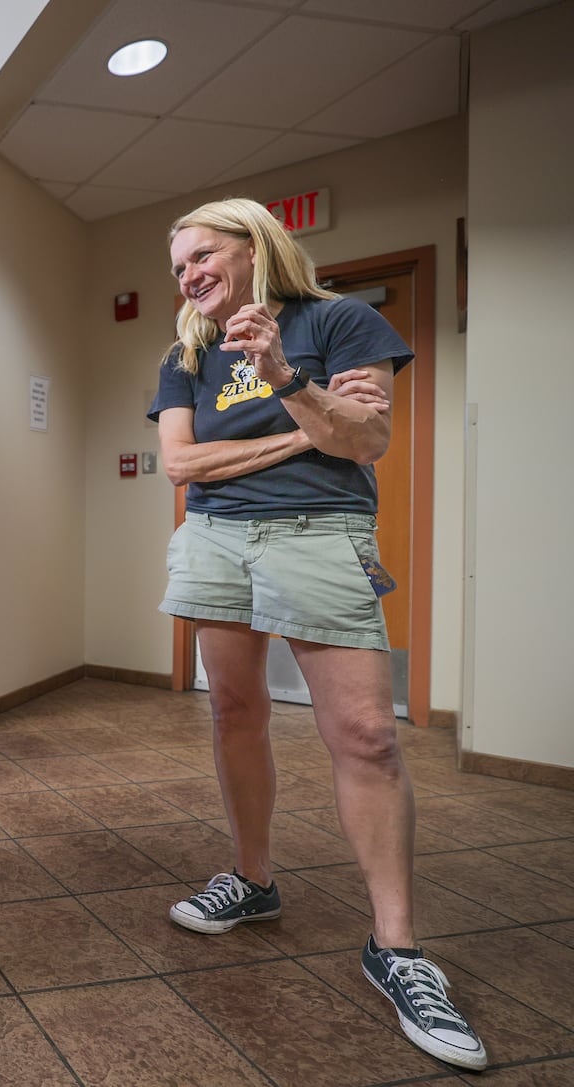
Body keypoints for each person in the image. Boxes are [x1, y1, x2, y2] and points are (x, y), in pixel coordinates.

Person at [148, 197, 486, 1072]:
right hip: (215, 537)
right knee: (233, 712)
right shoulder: (184, 352)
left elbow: (367, 439)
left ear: (254, 246)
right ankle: (254, 881)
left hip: (320, 533)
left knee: (368, 737)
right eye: (177, 264)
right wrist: (305, 437)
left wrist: (288, 378)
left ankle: (399, 950)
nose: (187, 275)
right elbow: (181, 464)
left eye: (201, 254)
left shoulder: (340, 319)